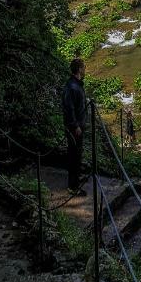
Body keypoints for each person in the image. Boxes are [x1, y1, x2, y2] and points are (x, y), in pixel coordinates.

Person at [62, 58, 87, 195]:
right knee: (74, 155)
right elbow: (69, 108)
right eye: (83, 67)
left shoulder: (76, 84)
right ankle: (73, 187)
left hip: (78, 126)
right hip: (74, 127)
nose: (85, 70)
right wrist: (75, 125)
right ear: (79, 69)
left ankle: (76, 179)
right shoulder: (72, 86)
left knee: (77, 154)